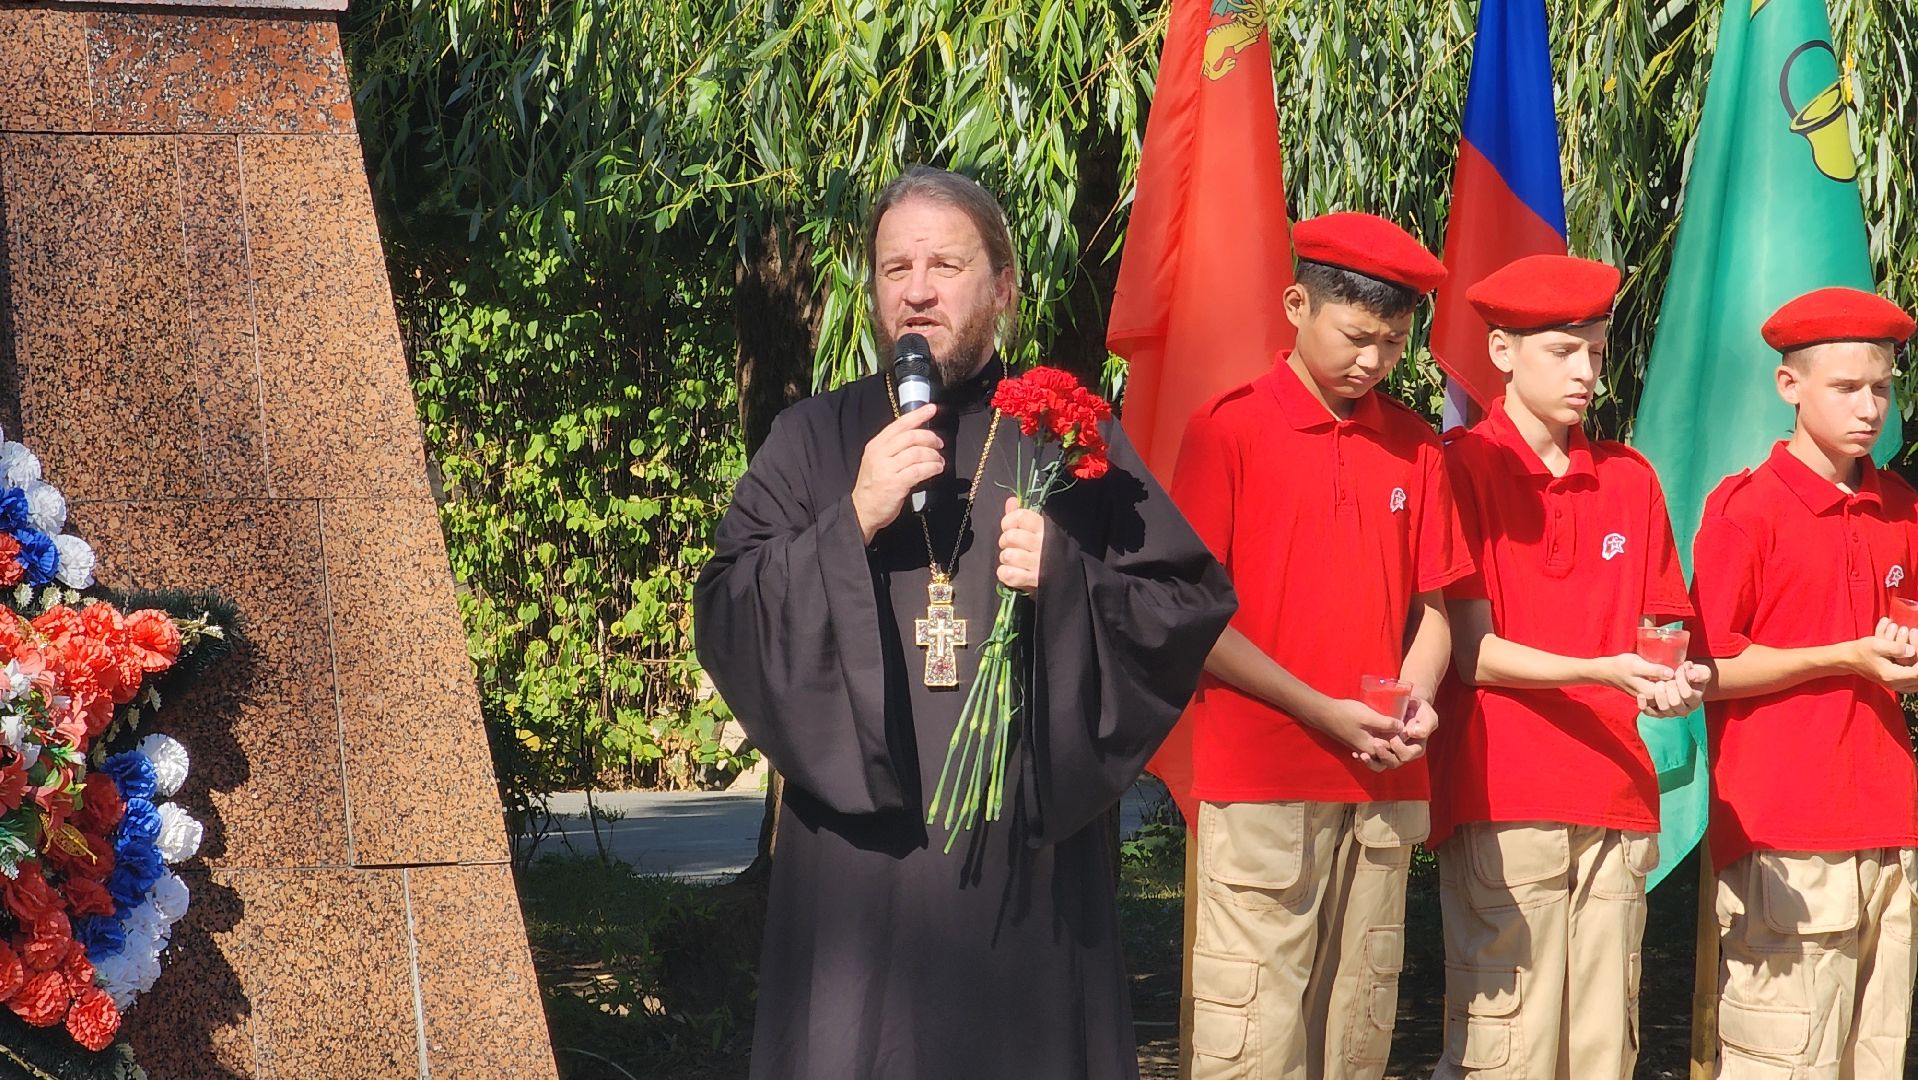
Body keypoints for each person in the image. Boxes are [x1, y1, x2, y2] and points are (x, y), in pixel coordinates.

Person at [693, 165, 1236, 1080]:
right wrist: (850, 520)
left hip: (1023, 867)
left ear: (1003, 287)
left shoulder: (1068, 434)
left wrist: (1069, 578)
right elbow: (726, 606)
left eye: (944, 264)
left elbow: (1183, 605)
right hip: (859, 874)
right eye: (893, 267)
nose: (915, 290)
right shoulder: (815, 440)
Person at [1169, 211, 1471, 1079]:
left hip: (1382, 785)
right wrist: (1323, 712)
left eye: (1393, 343)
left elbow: (1437, 614)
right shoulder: (1227, 429)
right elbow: (1196, 621)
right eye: (1356, 336)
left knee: (1357, 1032)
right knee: (1253, 1038)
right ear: (1297, 304)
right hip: (1264, 777)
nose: (1373, 361)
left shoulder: (1417, 446)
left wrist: (1410, 700)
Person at [1428, 254, 1708, 1078]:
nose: (1588, 371)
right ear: (1504, 352)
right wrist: (1606, 669)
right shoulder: (1460, 465)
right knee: (1503, 1049)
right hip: (1506, 795)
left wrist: (1669, 679)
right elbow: (1472, 653)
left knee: (1601, 1050)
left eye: (1597, 348)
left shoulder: (1630, 478)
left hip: (1618, 797)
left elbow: (1664, 628)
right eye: (1564, 350)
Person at [1689, 286, 1918, 1078]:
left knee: (1876, 1055)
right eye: (1847, 387)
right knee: (1783, 1059)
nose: (1870, 408)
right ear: (1790, 387)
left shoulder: (1900, 507)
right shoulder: (1744, 511)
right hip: (1783, 829)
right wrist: (1842, 656)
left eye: (1883, 387)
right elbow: (1704, 669)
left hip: (1889, 824)